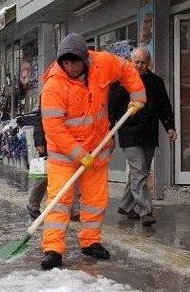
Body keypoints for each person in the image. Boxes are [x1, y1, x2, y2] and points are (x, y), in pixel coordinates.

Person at [40, 33, 146, 270]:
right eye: (65, 63)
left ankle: (90, 242)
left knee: (96, 200)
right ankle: (53, 249)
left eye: (74, 62)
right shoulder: (54, 85)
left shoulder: (104, 63)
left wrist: (138, 95)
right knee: (60, 201)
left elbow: (128, 70)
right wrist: (78, 154)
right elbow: (54, 128)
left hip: (97, 148)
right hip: (64, 155)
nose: (69, 67)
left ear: (85, 59)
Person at [109, 47, 177, 227]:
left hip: (149, 133)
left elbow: (164, 106)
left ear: (149, 63)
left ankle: (125, 206)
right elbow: (111, 109)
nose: (139, 65)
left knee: (141, 171)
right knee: (139, 171)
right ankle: (146, 210)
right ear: (131, 62)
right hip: (129, 133)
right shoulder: (121, 83)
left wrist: (170, 127)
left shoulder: (156, 82)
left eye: (143, 62)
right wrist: (109, 133)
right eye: (136, 62)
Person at [16, 108, 80, 222]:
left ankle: (74, 210)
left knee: (72, 174)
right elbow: (40, 120)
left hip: (69, 139)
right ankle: (33, 205)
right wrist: (39, 141)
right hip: (50, 140)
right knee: (44, 176)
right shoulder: (50, 92)